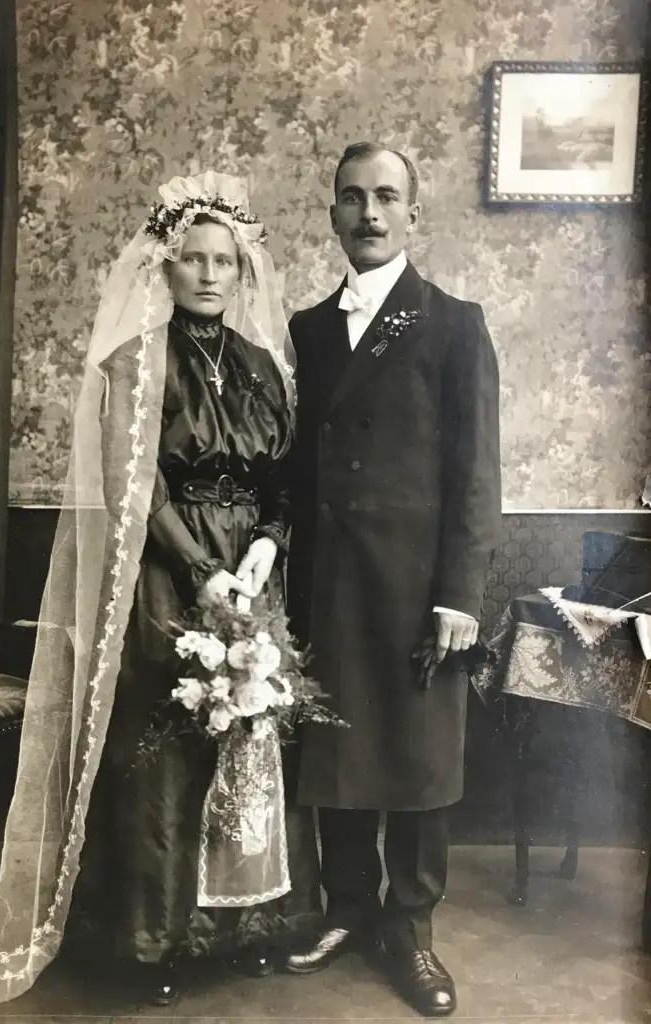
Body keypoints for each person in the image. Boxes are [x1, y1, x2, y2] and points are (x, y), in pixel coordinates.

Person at [0, 172, 321, 1010]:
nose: (206, 274)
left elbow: (285, 480)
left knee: (252, 737)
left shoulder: (265, 367)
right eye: (190, 259)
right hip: (164, 569)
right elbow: (137, 488)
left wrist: (269, 543)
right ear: (164, 267)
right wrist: (203, 572)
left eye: (221, 262)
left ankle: (249, 926)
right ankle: (153, 936)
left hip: (253, 571)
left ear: (241, 272)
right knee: (166, 738)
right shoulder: (134, 366)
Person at [285, 143, 502, 1018]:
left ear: (414, 213)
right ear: (332, 213)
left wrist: (461, 593)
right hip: (329, 584)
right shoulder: (306, 327)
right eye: (351, 199)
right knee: (335, 746)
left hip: (418, 590)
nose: (368, 215)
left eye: (385, 198)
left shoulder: (452, 323)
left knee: (416, 757)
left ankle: (410, 928)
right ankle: (346, 906)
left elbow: (476, 474)